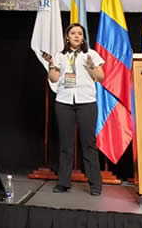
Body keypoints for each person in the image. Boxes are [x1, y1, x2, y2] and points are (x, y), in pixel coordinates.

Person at [41, 23, 105, 195]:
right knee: (65, 144)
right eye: (73, 33)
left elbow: (100, 77)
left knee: (88, 143)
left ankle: (95, 185)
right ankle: (63, 182)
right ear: (67, 36)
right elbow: (54, 79)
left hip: (86, 102)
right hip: (64, 102)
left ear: (83, 37)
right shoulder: (60, 56)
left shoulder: (90, 54)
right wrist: (51, 65)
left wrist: (91, 65)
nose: (77, 36)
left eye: (80, 33)